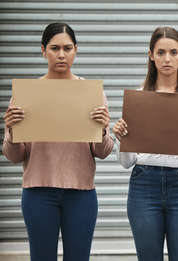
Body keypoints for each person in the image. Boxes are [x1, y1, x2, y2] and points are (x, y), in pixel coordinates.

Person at [2, 22, 114, 261]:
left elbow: (103, 152)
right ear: (43, 50)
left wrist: (104, 128)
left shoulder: (91, 93)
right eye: (54, 48)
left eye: (67, 47)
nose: (61, 54)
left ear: (76, 50)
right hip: (38, 193)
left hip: (81, 194)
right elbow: (14, 156)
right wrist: (11, 130)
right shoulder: (27, 94)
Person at [112, 26, 178, 261]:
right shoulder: (138, 98)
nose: (167, 59)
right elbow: (126, 162)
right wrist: (121, 137)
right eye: (160, 52)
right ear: (150, 55)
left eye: (173, 52)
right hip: (144, 185)